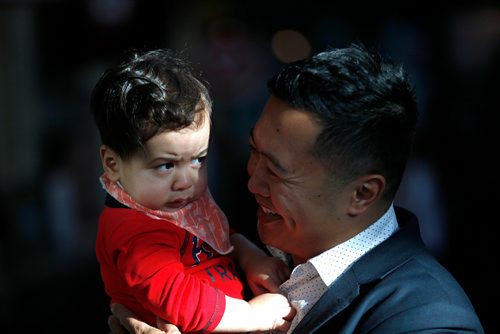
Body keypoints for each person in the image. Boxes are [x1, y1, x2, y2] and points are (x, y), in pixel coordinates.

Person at [108, 43, 484, 333]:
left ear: (363, 194)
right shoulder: (241, 238)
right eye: (254, 151)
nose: (253, 181)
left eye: (277, 171)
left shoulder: (425, 318)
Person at [91, 48, 295, 333]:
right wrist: (251, 315)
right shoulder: (134, 229)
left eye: (199, 159)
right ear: (113, 164)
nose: (186, 180)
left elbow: (214, 233)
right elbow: (174, 296)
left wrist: (249, 256)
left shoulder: (173, 202)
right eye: (165, 165)